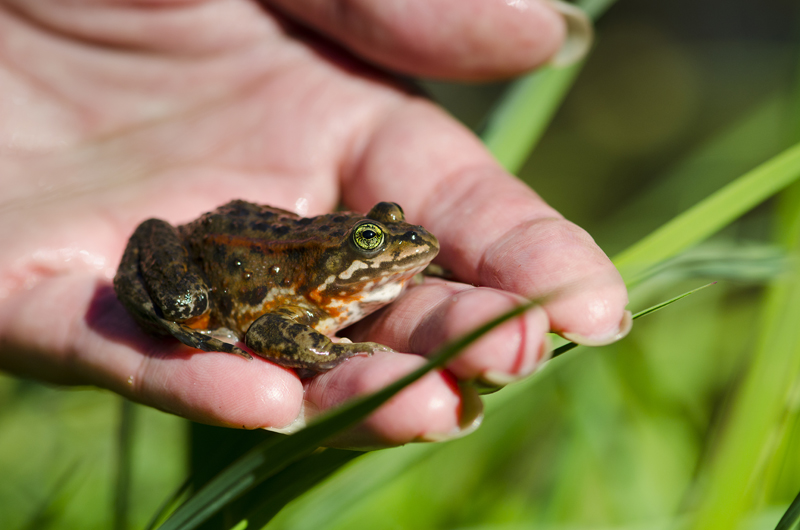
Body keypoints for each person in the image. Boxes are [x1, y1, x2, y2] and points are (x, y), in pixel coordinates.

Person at [0, 0, 630, 448]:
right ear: (344, 251)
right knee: (190, 307)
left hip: (247, 227)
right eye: (371, 241)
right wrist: (336, 350)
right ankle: (175, 320)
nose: (402, 242)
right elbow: (271, 328)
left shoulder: (358, 269)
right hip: (209, 251)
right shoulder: (303, 302)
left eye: (387, 228)